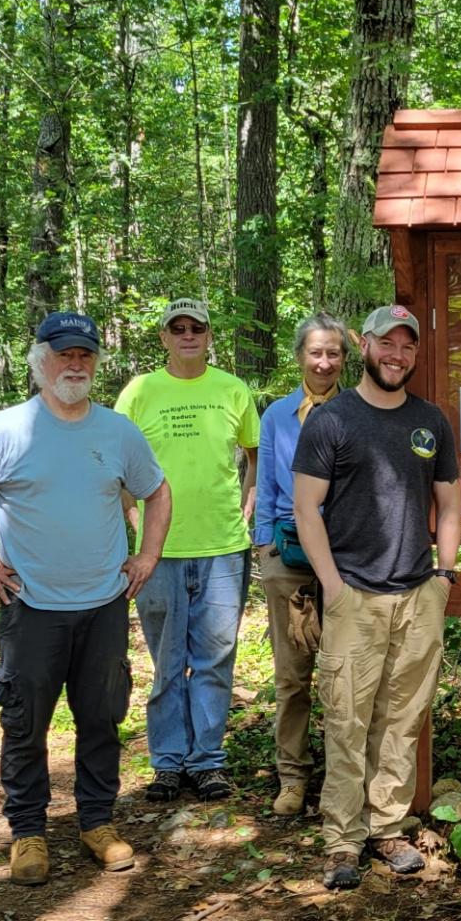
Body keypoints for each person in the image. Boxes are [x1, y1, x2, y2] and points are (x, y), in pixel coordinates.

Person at [0, 311, 170, 886]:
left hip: (104, 604)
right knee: (25, 723)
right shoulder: (6, 430)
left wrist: (148, 556)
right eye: (64, 354)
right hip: (31, 606)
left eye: (85, 354)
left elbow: (157, 492)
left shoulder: (117, 431)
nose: (75, 364)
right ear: (40, 361)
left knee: (102, 718)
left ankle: (97, 823)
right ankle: (28, 831)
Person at [293, 304, 461, 889]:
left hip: (418, 594)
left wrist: (444, 575)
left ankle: (387, 826)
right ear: (364, 345)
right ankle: (342, 840)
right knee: (346, 719)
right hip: (354, 597)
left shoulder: (430, 421)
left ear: (416, 353)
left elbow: (450, 502)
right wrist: (333, 587)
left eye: (407, 346)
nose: (397, 355)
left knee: (403, 719)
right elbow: (305, 508)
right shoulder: (331, 420)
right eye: (386, 344)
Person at [115, 298, 260, 803]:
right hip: (158, 554)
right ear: (164, 338)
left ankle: (207, 763)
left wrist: (247, 510)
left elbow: (253, 456)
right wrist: (135, 519)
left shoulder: (233, 389)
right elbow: (117, 463)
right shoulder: (139, 392)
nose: (187, 335)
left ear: (208, 334)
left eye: (196, 327)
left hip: (223, 549)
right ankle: (168, 763)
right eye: (177, 329)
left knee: (216, 658)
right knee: (168, 661)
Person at [255, 313, 348, 817]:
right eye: (315, 352)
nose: (324, 362)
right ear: (300, 357)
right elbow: (267, 482)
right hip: (288, 557)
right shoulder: (277, 416)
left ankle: (341, 775)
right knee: (293, 676)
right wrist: (264, 548)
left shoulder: (358, 411)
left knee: (342, 675)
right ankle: (292, 775)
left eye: (333, 353)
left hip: (346, 561)